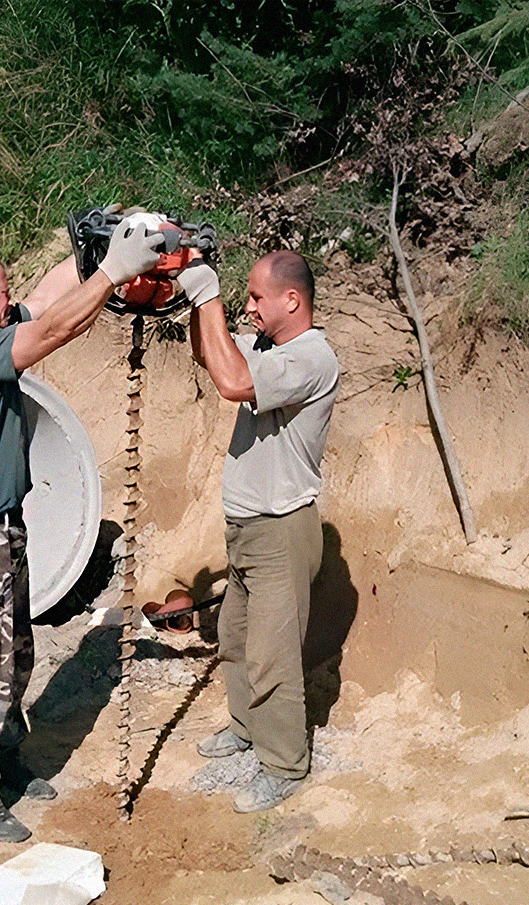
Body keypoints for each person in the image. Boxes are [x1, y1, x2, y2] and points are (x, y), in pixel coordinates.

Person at [0, 221, 164, 841]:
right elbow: (54, 330)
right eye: (1, 291)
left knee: (16, 655)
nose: (11, 299)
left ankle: (4, 761)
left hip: (3, 529)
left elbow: (51, 298)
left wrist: (96, 245)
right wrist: (113, 272)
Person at [179, 250, 340, 812]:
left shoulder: (311, 357)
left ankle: (285, 764)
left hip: (280, 530)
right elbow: (211, 355)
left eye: (254, 297)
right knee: (236, 638)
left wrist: (208, 295)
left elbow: (231, 381)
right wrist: (187, 294)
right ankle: (247, 728)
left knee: (272, 654)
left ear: (291, 301)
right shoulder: (270, 349)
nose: (248, 307)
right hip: (246, 527)